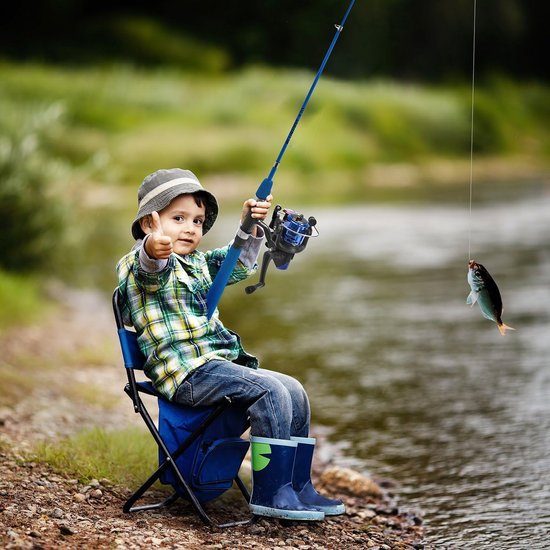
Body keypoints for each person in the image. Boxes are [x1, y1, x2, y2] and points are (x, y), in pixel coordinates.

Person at [116, 168, 344, 520]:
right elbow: (150, 266)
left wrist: (249, 224)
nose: (190, 227)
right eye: (178, 218)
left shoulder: (196, 263)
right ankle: (271, 493)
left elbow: (241, 261)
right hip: (186, 375)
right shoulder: (140, 263)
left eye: (197, 220)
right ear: (149, 223)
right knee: (269, 391)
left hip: (213, 366)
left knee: (293, 389)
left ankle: (297, 487)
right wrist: (152, 248)